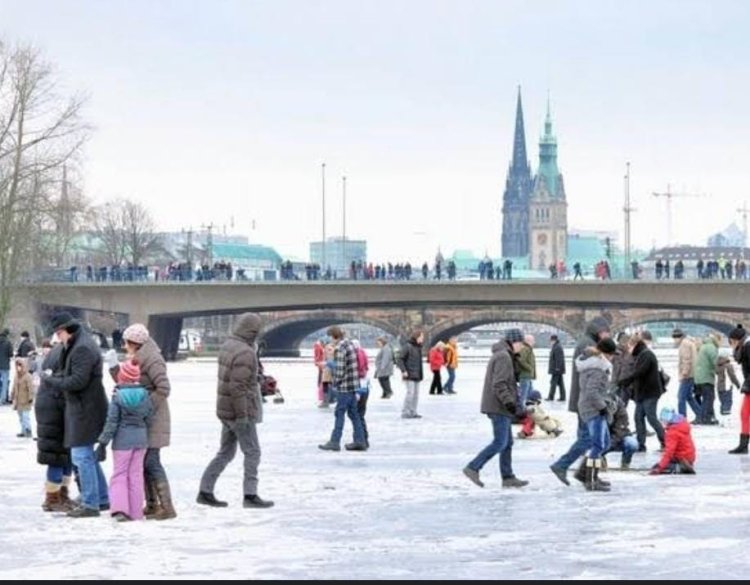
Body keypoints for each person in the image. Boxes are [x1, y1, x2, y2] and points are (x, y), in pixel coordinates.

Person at [197, 312, 274, 508]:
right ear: (252, 332)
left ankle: (205, 490)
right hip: (240, 411)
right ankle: (250, 495)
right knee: (252, 452)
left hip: (225, 409)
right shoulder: (245, 353)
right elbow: (237, 387)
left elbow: (234, 380)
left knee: (226, 452)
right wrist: (243, 416)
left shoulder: (229, 345)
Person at [42, 312, 109, 518]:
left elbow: (77, 382)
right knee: (86, 455)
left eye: (58, 332)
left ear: (66, 329)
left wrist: (50, 380)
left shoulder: (81, 348)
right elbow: (70, 375)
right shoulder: (75, 344)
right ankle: (102, 498)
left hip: (86, 409)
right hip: (83, 407)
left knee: (81, 456)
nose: (57, 337)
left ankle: (90, 504)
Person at [122, 323, 177, 520]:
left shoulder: (153, 359)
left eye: (126, 343)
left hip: (155, 418)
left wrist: (144, 406)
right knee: (144, 462)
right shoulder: (140, 358)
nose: (124, 346)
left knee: (152, 462)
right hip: (145, 419)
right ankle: (152, 504)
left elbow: (163, 388)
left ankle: (167, 506)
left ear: (134, 343)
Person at [463, 328, 528, 489]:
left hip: (499, 405)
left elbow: (509, 384)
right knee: (500, 442)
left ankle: (508, 477)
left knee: (507, 443)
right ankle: (473, 467)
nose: (522, 347)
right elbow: (499, 383)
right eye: (521, 343)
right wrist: (510, 403)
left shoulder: (505, 355)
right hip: (498, 406)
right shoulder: (503, 357)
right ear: (514, 342)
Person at [550, 316, 611, 486]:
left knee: (599, 442)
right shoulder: (588, 345)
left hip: (586, 400)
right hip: (589, 403)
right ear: (599, 331)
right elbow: (591, 381)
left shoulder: (588, 342)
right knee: (590, 440)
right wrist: (599, 403)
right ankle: (565, 466)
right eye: (607, 332)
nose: (608, 336)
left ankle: (587, 473)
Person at [96, 360, 152, 521]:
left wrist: (103, 442)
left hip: (122, 441)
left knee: (120, 474)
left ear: (123, 376)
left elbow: (112, 421)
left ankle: (120, 510)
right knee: (136, 475)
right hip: (141, 440)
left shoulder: (118, 395)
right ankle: (136, 512)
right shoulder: (145, 394)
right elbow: (149, 417)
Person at [35, 338, 74, 512]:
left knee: (64, 458)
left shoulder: (55, 358)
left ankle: (62, 494)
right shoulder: (61, 365)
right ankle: (52, 497)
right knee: (57, 458)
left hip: (52, 413)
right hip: (55, 416)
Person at [575, 338, 618, 492]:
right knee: (598, 445)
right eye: (612, 354)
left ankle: (583, 473)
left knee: (604, 443)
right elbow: (591, 392)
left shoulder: (594, 365)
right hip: (593, 409)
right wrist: (602, 407)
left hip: (592, 407)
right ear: (605, 353)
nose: (613, 357)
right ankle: (591, 479)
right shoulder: (597, 369)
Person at [318, 325, 368, 452]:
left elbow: (340, 371)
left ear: (334, 336)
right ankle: (360, 440)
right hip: (353, 385)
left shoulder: (340, 348)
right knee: (354, 413)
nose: (329, 340)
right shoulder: (350, 345)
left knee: (339, 413)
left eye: (330, 337)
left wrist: (334, 379)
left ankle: (335, 441)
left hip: (344, 388)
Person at [618, 331, 665, 452]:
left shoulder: (646, 355)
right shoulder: (640, 355)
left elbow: (640, 372)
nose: (628, 349)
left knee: (651, 418)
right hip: (642, 393)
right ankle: (641, 444)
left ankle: (665, 440)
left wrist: (625, 381)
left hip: (650, 392)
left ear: (635, 345)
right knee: (638, 417)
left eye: (629, 346)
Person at [649, 408, 696, 475]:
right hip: (689, 458)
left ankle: (680, 468)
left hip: (681, 460)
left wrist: (659, 467)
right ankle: (684, 465)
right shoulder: (682, 424)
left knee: (657, 467)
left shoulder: (672, 432)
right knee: (659, 465)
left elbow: (669, 452)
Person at [728, 324, 750, 454]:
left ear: (736, 340)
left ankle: (743, 445)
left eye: (731, 341)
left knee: (744, 413)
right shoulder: (745, 347)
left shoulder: (748, 347)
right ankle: (743, 444)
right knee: (744, 414)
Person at [396, 329, 425, 419]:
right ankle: (405, 412)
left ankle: (413, 411)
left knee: (416, 394)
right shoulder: (407, 346)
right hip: (408, 374)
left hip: (417, 374)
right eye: (421, 337)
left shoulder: (418, 347)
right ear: (417, 337)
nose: (423, 339)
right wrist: (403, 370)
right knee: (410, 393)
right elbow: (399, 359)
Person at [605, 393, 638, 470]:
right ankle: (600, 460)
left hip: (619, 437)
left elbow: (620, 430)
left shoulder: (621, 410)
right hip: (603, 438)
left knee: (632, 444)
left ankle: (625, 463)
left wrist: (611, 443)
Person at [673, 328, 700, 419]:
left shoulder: (684, 344)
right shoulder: (688, 343)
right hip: (692, 374)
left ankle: (682, 418)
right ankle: (700, 415)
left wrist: (684, 373)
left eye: (675, 338)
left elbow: (686, 360)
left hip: (687, 375)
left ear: (678, 337)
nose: (674, 340)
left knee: (681, 398)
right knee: (689, 397)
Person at [694, 334, 719, 425]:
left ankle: (705, 416)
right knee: (708, 398)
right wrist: (719, 371)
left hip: (698, 377)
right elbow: (715, 362)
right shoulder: (711, 347)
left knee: (705, 398)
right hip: (706, 377)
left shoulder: (703, 347)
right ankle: (706, 418)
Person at [11, 358, 34, 438]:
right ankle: (23, 430)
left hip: (26, 400)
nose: (18, 367)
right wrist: (12, 395)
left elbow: (30, 388)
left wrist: (30, 397)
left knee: (25, 417)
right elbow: (14, 387)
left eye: (20, 365)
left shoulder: (27, 376)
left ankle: (28, 430)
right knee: (21, 417)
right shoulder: (16, 376)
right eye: (17, 366)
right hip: (18, 401)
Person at [717, 349, 741, 416]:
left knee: (722, 402)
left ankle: (722, 418)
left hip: (719, 387)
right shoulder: (728, 366)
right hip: (727, 387)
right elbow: (732, 376)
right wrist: (738, 384)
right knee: (728, 402)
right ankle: (726, 419)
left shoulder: (717, 365)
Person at [517, 335, 536, 412]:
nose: (534, 342)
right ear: (528, 341)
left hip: (528, 375)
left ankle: (527, 410)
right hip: (525, 375)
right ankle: (521, 411)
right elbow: (521, 360)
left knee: (529, 394)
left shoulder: (528, 349)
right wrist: (529, 368)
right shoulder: (525, 349)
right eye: (533, 340)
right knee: (524, 395)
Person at [547, 334, 566, 401]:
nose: (550, 342)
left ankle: (551, 397)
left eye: (551, 340)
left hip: (556, 369)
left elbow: (559, 359)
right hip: (557, 369)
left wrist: (557, 367)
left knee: (553, 383)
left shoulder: (557, 347)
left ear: (553, 340)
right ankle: (563, 397)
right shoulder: (556, 346)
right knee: (560, 383)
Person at [0, 328, 12, 404]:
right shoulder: (8, 342)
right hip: (5, 365)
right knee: (5, 383)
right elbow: (10, 354)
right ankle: (2, 400)